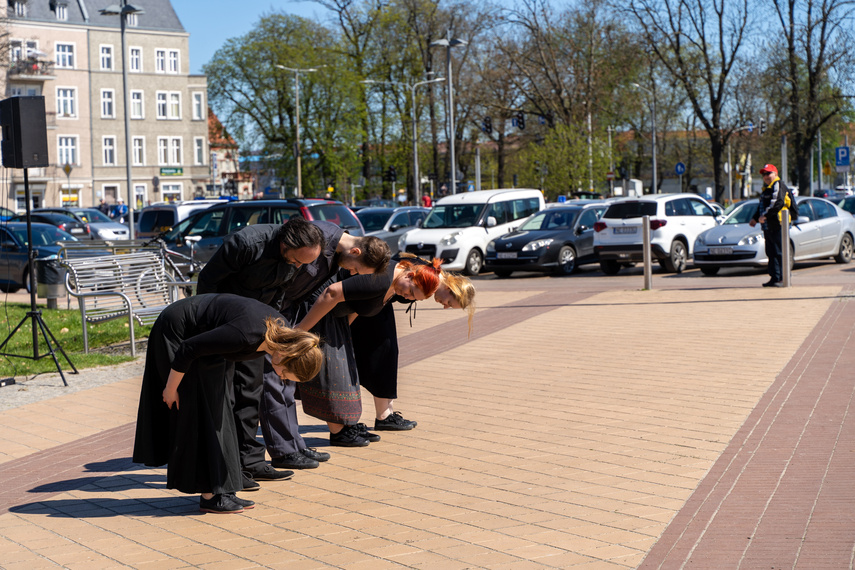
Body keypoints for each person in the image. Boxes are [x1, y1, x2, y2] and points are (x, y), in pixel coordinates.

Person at [132, 293, 323, 514]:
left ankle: (223, 488)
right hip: (177, 330)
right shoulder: (247, 335)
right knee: (198, 409)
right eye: (287, 375)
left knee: (218, 410)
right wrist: (170, 388)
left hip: (201, 336)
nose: (282, 378)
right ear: (285, 356)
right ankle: (210, 494)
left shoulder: (281, 336)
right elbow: (188, 349)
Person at [196, 218, 326, 484]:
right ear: (285, 245)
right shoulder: (245, 244)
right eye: (298, 262)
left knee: (250, 394)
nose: (300, 267)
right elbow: (207, 283)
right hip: (225, 328)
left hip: (259, 330)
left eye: (305, 264)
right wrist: (210, 331)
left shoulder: (295, 259)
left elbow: (279, 292)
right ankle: (227, 466)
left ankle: (251, 462)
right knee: (225, 396)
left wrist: (275, 329)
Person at [259, 222, 391, 468]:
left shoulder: (334, 252)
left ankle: (293, 445)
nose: (351, 273)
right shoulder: (318, 238)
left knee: (284, 382)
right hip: (270, 309)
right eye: (356, 269)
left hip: (283, 310)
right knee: (274, 381)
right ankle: (283, 451)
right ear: (356, 252)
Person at [295, 257, 443, 439]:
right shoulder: (382, 280)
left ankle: (346, 425)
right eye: (410, 291)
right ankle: (339, 431)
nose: (407, 297)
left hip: (334, 315)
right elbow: (331, 293)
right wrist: (301, 329)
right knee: (332, 372)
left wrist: (344, 334)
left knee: (343, 369)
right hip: (319, 308)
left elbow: (360, 305)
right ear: (410, 275)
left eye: (413, 298)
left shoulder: (392, 283)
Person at [750, 163, 793, 288]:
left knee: (779, 251)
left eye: (769, 173)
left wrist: (766, 216)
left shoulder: (778, 185)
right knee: (771, 252)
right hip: (768, 225)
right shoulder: (767, 189)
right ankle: (774, 277)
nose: (766, 176)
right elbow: (762, 206)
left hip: (778, 223)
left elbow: (777, 202)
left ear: (776, 173)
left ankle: (782, 278)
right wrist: (754, 218)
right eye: (764, 174)